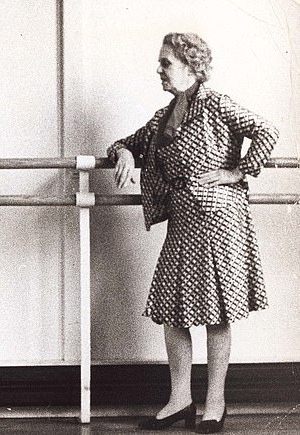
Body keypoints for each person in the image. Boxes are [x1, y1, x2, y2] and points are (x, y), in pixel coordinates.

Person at [107, 33, 278, 433]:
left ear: (190, 65)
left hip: (221, 220)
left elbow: (266, 130)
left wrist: (238, 171)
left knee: (218, 311)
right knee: (171, 307)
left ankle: (215, 403)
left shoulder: (216, 103)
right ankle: (180, 398)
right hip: (184, 221)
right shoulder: (162, 118)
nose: (159, 70)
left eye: (166, 62)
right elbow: (122, 143)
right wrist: (127, 153)